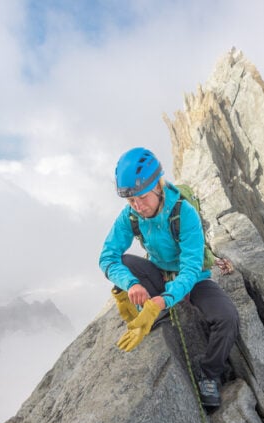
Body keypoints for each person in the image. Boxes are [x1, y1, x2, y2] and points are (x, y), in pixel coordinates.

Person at [99, 147, 239, 407]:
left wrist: (163, 300)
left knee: (227, 317)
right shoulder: (130, 215)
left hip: (194, 279)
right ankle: (154, 312)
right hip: (158, 274)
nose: (138, 206)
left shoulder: (184, 213)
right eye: (131, 201)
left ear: (157, 186)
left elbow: (191, 268)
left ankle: (208, 374)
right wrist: (131, 284)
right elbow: (107, 257)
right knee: (126, 262)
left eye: (141, 198)